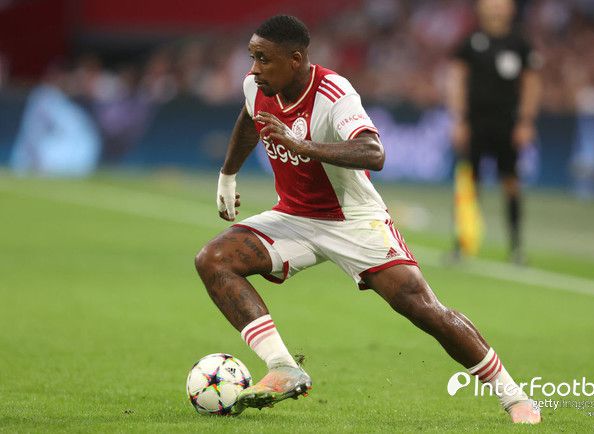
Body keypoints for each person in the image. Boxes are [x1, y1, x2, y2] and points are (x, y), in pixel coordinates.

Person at [194, 15, 540, 423]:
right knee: (213, 259)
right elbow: (250, 118)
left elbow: (374, 153)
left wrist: (303, 145)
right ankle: (283, 367)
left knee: (422, 307)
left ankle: (515, 397)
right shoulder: (257, 86)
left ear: (295, 59)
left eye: (263, 59)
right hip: (294, 217)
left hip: (353, 219)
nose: (254, 69)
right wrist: (228, 174)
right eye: (252, 57)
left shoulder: (334, 92)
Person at [447, 0, 542, 263]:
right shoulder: (470, 42)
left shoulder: (520, 44)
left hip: (507, 125)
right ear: (481, 8)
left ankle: (516, 247)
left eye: (501, 4)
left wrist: (526, 121)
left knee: (511, 183)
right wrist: (458, 120)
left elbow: (532, 83)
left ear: (511, 8)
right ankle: (463, 244)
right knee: (469, 184)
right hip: (475, 123)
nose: (496, 8)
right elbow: (456, 80)